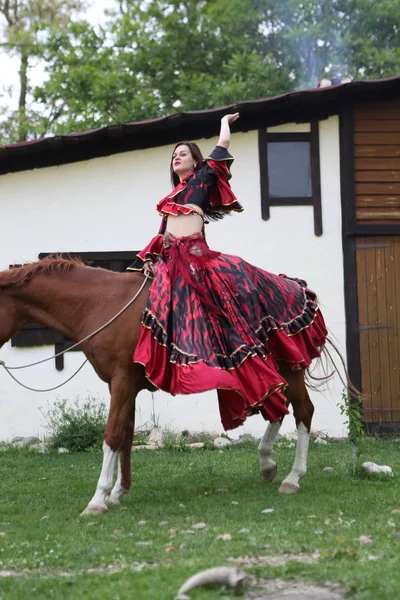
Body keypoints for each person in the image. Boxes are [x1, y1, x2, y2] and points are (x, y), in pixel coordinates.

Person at [127, 113, 328, 430]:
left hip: (197, 258)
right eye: (173, 155)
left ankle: (246, 357)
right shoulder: (169, 199)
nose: (176, 157)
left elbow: (222, 147)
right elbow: (162, 234)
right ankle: (167, 366)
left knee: (223, 313)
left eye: (182, 153)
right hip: (172, 261)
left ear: (195, 162)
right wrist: (153, 256)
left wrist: (224, 122)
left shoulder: (201, 182)